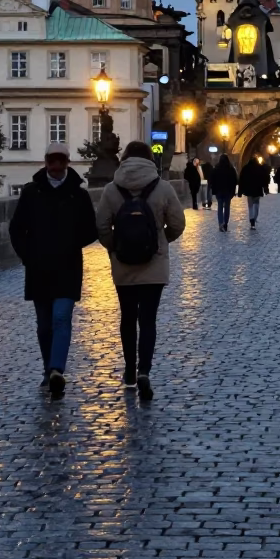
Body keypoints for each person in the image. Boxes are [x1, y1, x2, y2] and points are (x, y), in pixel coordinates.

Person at [96, 142, 186, 401]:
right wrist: (160, 242)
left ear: (124, 159)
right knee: (148, 320)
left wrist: (115, 247)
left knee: (127, 317)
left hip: (124, 264)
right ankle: (144, 369)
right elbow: (178, 224)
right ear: (149, 159)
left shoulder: (111, 190)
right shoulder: (163, 187)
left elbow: (101, 225)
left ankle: (129, 371)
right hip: (153, 265)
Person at [8, 143, 98, 399]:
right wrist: (28, 255)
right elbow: (16, 229)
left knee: (61, 318)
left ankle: (56, 369)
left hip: (68, 266)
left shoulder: (78, 195)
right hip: (39, 267)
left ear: (67, 163)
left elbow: (91, 230)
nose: (56, 167)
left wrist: (69, 244)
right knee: (44, 325)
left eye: (61, 162)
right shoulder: (31, 192)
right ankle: (49, 370)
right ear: (46, 162)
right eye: (52, 162)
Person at [210, 154, 238, 230]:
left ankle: (220, 223)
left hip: (219, 191)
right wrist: (233, 190)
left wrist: (213, 189)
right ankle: (225, 223)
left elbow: (212, 180)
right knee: (227, 207)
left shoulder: (216, 168)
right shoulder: (231, 169)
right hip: (228, 191)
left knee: (220, 207)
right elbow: (235, 181)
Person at [238, 155, 267, 229]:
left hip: (249, 190)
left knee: (250, 206)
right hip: (257, 189)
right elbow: (264, 178)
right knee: (256, 204)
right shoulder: (260, 168)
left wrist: (240, 191)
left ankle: (252, 221)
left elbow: (241, 180)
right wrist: (265, 188)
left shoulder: (246, 168)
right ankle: (255, 217)